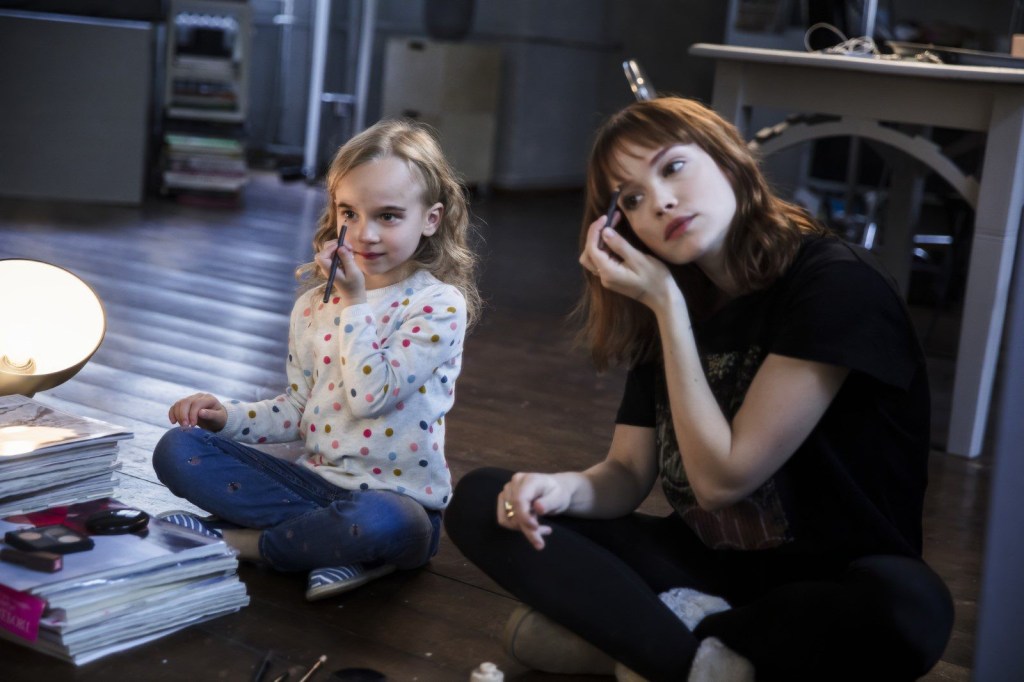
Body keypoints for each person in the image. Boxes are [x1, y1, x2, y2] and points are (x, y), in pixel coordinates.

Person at [443, 97, 953, 681]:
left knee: (912, 606)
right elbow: (627, 474)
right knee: (488, 500)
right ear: (618, 228)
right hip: (708, 572)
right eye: (630, 199)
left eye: (673, 167)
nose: (659, 201)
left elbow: (722, 482)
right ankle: (704, 659)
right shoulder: (674, 299)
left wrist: (666, 306)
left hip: (830, 585)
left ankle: (638, 643)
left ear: (730, 161)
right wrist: (556, 490)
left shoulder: (834, 285)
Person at [152, 119, 480, 601]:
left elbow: (371, 396)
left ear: (430, 219)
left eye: (388, 216)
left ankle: (239, 541)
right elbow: (298, 410)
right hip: (311, 488)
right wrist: (225, 417)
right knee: (176, 449)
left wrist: (354, 303)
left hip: (397, 503)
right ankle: (327, 548)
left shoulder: (437, 304)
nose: (364, 234)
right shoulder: (312, 306)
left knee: (384, 523)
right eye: (350, 212)